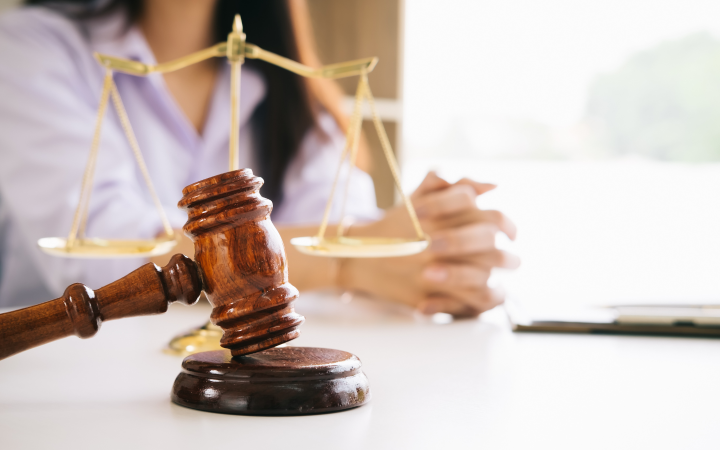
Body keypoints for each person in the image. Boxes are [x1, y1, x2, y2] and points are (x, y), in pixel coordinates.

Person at [0, 0, 519, 316]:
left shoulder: (288, 87)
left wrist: (439, 251)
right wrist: (351, 259)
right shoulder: (29, 50)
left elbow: (347, 224)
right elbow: (106, 259)